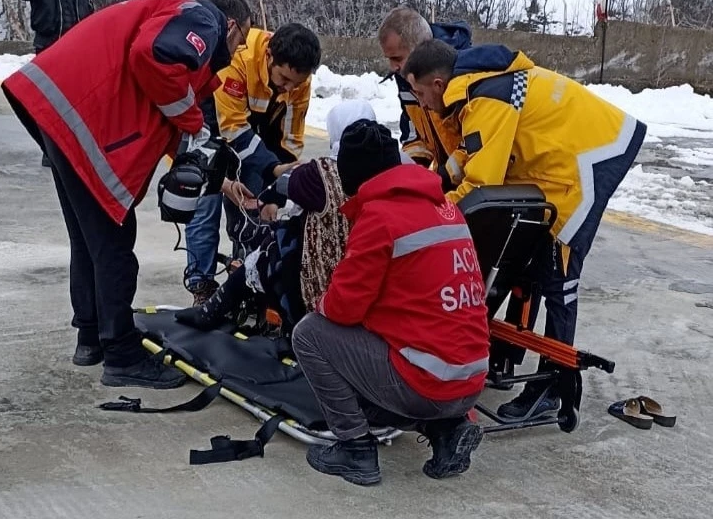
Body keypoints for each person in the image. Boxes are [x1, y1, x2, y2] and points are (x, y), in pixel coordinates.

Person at [1, 0, 253, 388]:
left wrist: (221, 182)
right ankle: (121, 354)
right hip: (81, 111)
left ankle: (91, 338)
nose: (236, 52)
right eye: (239, 43)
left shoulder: (171, 13)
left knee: (91, 240)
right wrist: (192, 123)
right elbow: (151, 57)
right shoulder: (204, 19)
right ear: (233, 26)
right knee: (115, 244)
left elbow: (163, 105)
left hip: (59, 105)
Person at [403, 39, 647, 420]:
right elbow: (472, 154)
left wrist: (433, 215)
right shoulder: (476, 90)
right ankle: (507, 356)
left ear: (437, 83)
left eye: (419, 94)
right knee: (523, 258)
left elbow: (483, 182)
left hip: (586, 160)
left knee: (558, 271)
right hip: (553, 163)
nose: (421, 104)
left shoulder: (488, 96)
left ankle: (553, 387)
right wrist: (434, 185)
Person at [292, 119, 490, 486]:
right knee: (403, 343)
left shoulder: (379, 217)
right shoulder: (447, 207)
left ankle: (355, 449)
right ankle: (446, 431)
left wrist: (320, 301)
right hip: (472, 378)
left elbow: (342, 309)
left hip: (428, 383)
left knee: (310, 334)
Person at [175, 99, 378, 333]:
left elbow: (284, 184)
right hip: (372, 282)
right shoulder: (394, 164)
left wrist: (266, 199)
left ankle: (213, 308)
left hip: (328, 288)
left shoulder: (322, 172)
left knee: (272, 242)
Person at [183, 22, 321, 305]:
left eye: (296, 83)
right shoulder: (239, 60)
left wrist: (277, 191)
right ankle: (201, 286)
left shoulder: (299, 80)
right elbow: (231, 128)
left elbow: (290, 140)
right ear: (269, 56)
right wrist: (232, 178)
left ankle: (244, 280)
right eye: (284, 79)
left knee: (253, 210)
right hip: (212, 126)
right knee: (206, 207)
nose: (289, 87)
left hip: (257, 137)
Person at [11, 0, 95, 167]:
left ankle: (77, 150)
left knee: (79, 103)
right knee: (50, 104)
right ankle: (50, 150)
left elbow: (90, 15)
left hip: (76, 51)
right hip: (49, 48)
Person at [378, 6, 471, 177]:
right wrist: (411, 171)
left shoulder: (463, 76)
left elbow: (475, 142)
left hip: (473, 182)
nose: (393, 67)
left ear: (420, 49)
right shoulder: (406, 78)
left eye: (397, 58)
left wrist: (444, 176)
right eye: (389, 59)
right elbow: (413, 134)